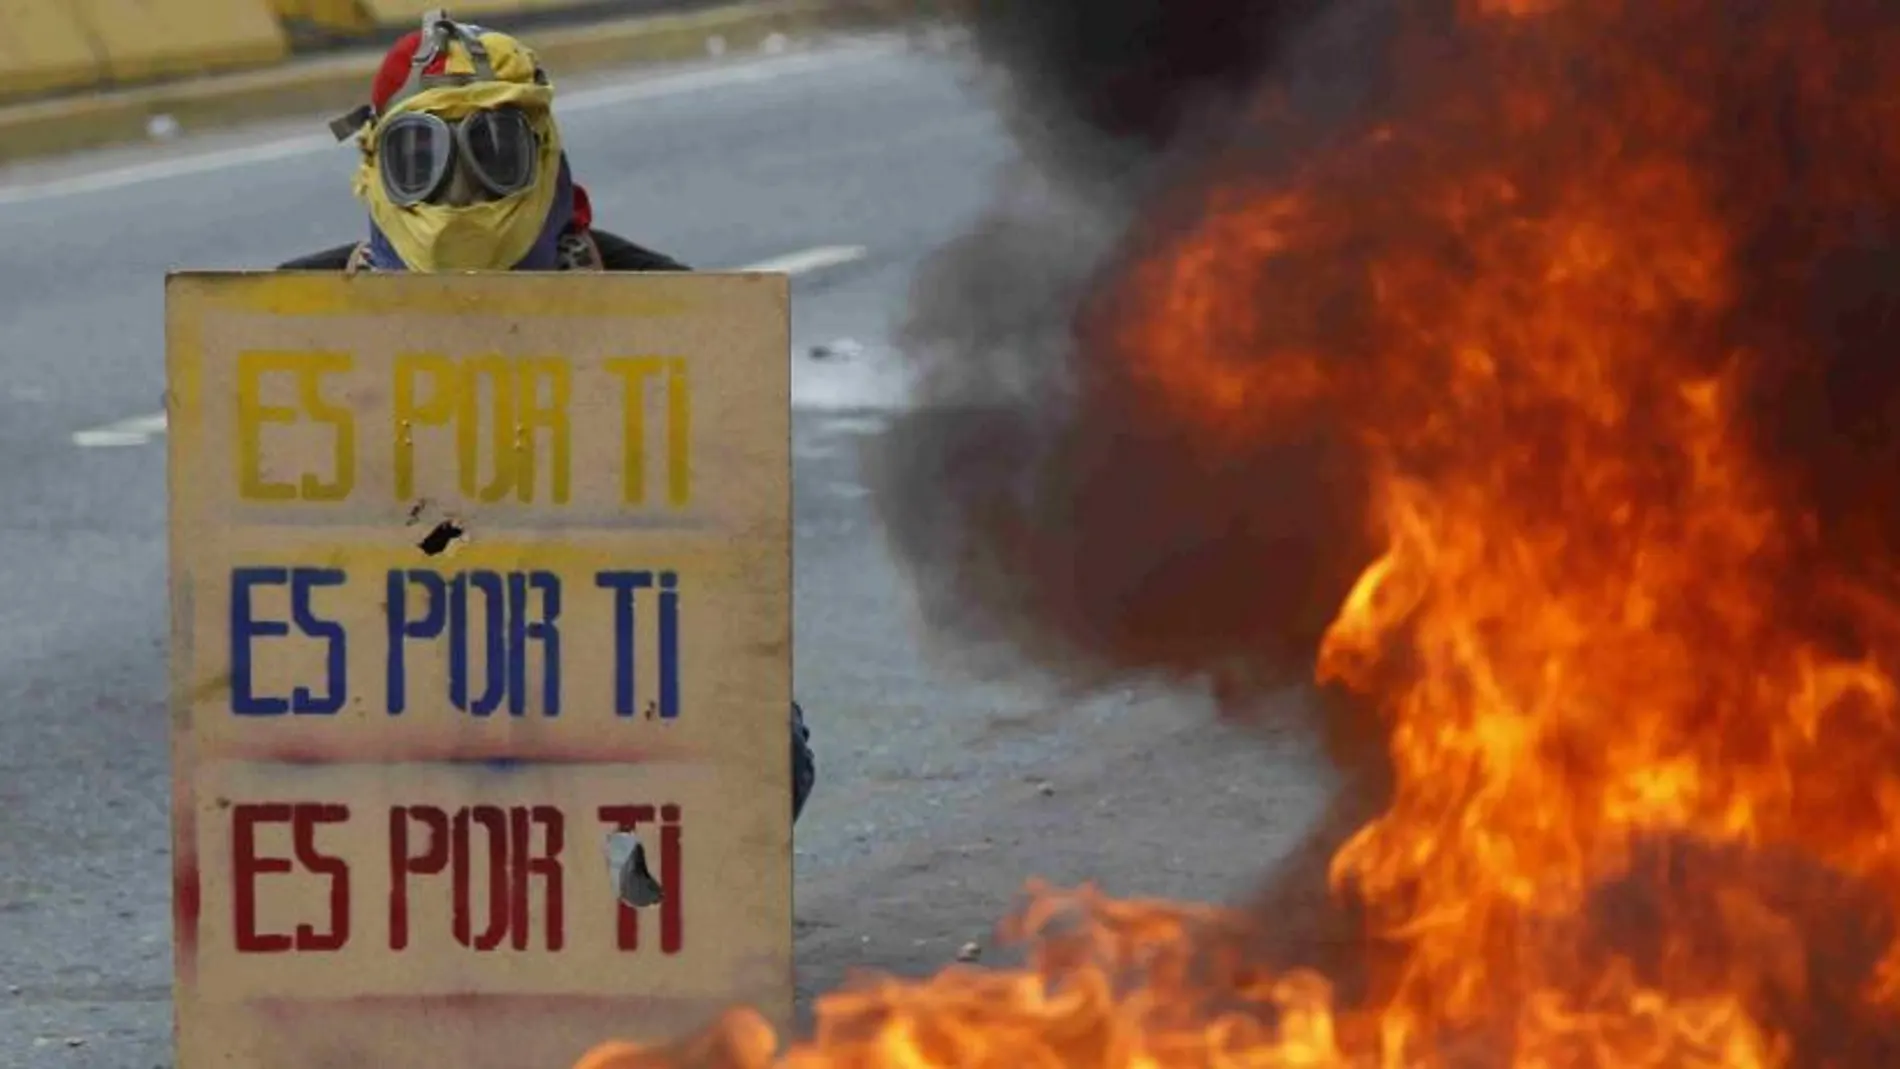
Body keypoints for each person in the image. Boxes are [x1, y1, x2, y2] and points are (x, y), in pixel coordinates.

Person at [280, 9, 816, 823]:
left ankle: (651, 900)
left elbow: (723, 527)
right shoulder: (281, 320)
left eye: (493, 152)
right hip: (392, 643)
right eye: (423, 157)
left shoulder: (662, 307)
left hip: (594, 633)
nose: (460, 194)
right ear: (377, 162)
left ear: (544, 155)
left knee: (762, 752)